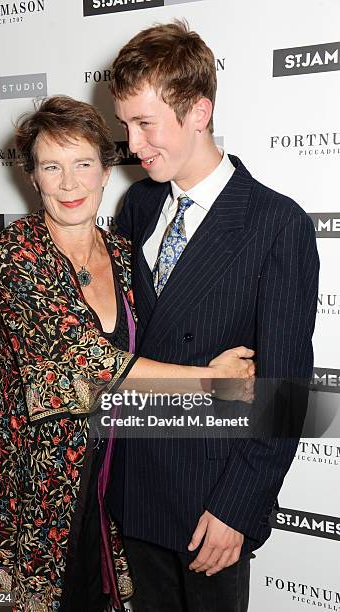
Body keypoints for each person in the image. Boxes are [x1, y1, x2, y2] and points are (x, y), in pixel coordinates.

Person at [0, 95, 255, 612]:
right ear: (32, 178)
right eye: (51, 167)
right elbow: (89, 365)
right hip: (41, 488)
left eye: (83, 164)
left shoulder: (125, 253)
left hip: (116, 480)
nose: (68, 182)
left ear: (106, 171)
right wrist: (209, 380)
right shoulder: (17, 255)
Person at [103, 20, 320, 612]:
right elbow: (114, 348)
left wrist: (237, 508)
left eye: (145, 123)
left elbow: (287, 393)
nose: (133, 143)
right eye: (126, 124)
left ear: (198, 112)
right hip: (132, 484)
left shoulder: (278, 225)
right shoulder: (137, 204)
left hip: (210, 503)